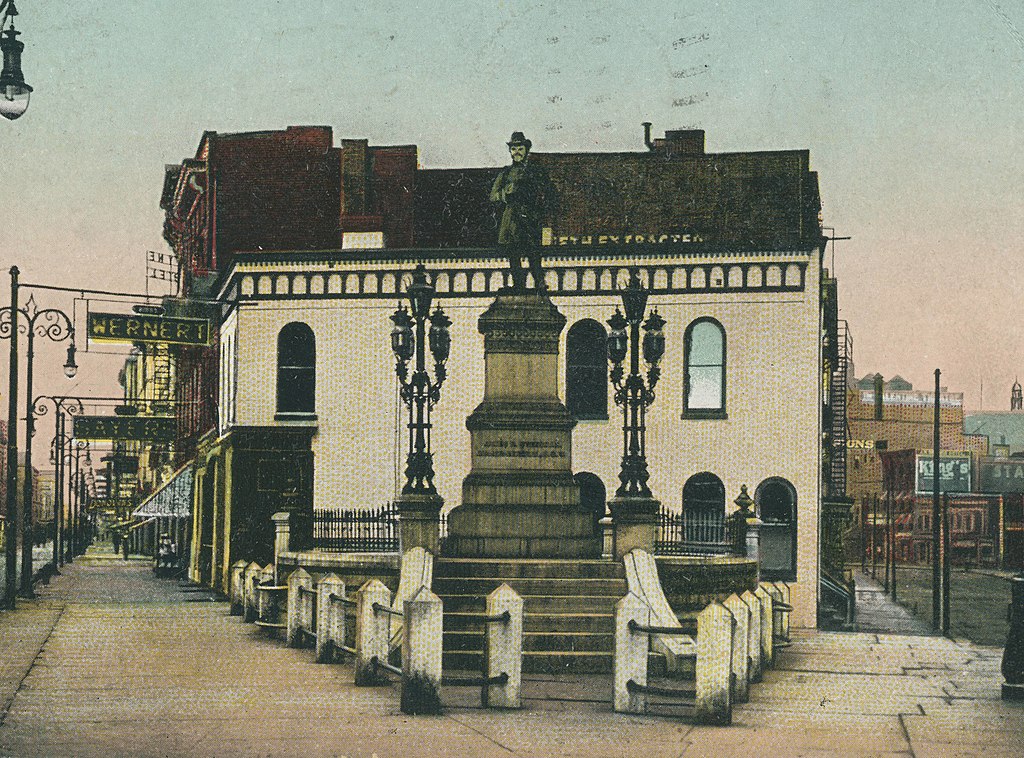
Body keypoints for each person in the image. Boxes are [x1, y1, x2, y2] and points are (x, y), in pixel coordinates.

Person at [489, 132, 556, 290]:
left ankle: (539, 282)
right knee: (513, 252)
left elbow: (549, 192)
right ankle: (518, 284)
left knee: (533, 251)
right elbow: (493, 195)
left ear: (526, 150)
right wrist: (506, 193)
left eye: (520, 148)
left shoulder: (535, 171)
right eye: (513, 149)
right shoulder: (505, 173)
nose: (517, 152)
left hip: (530, 216)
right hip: (511, 217)